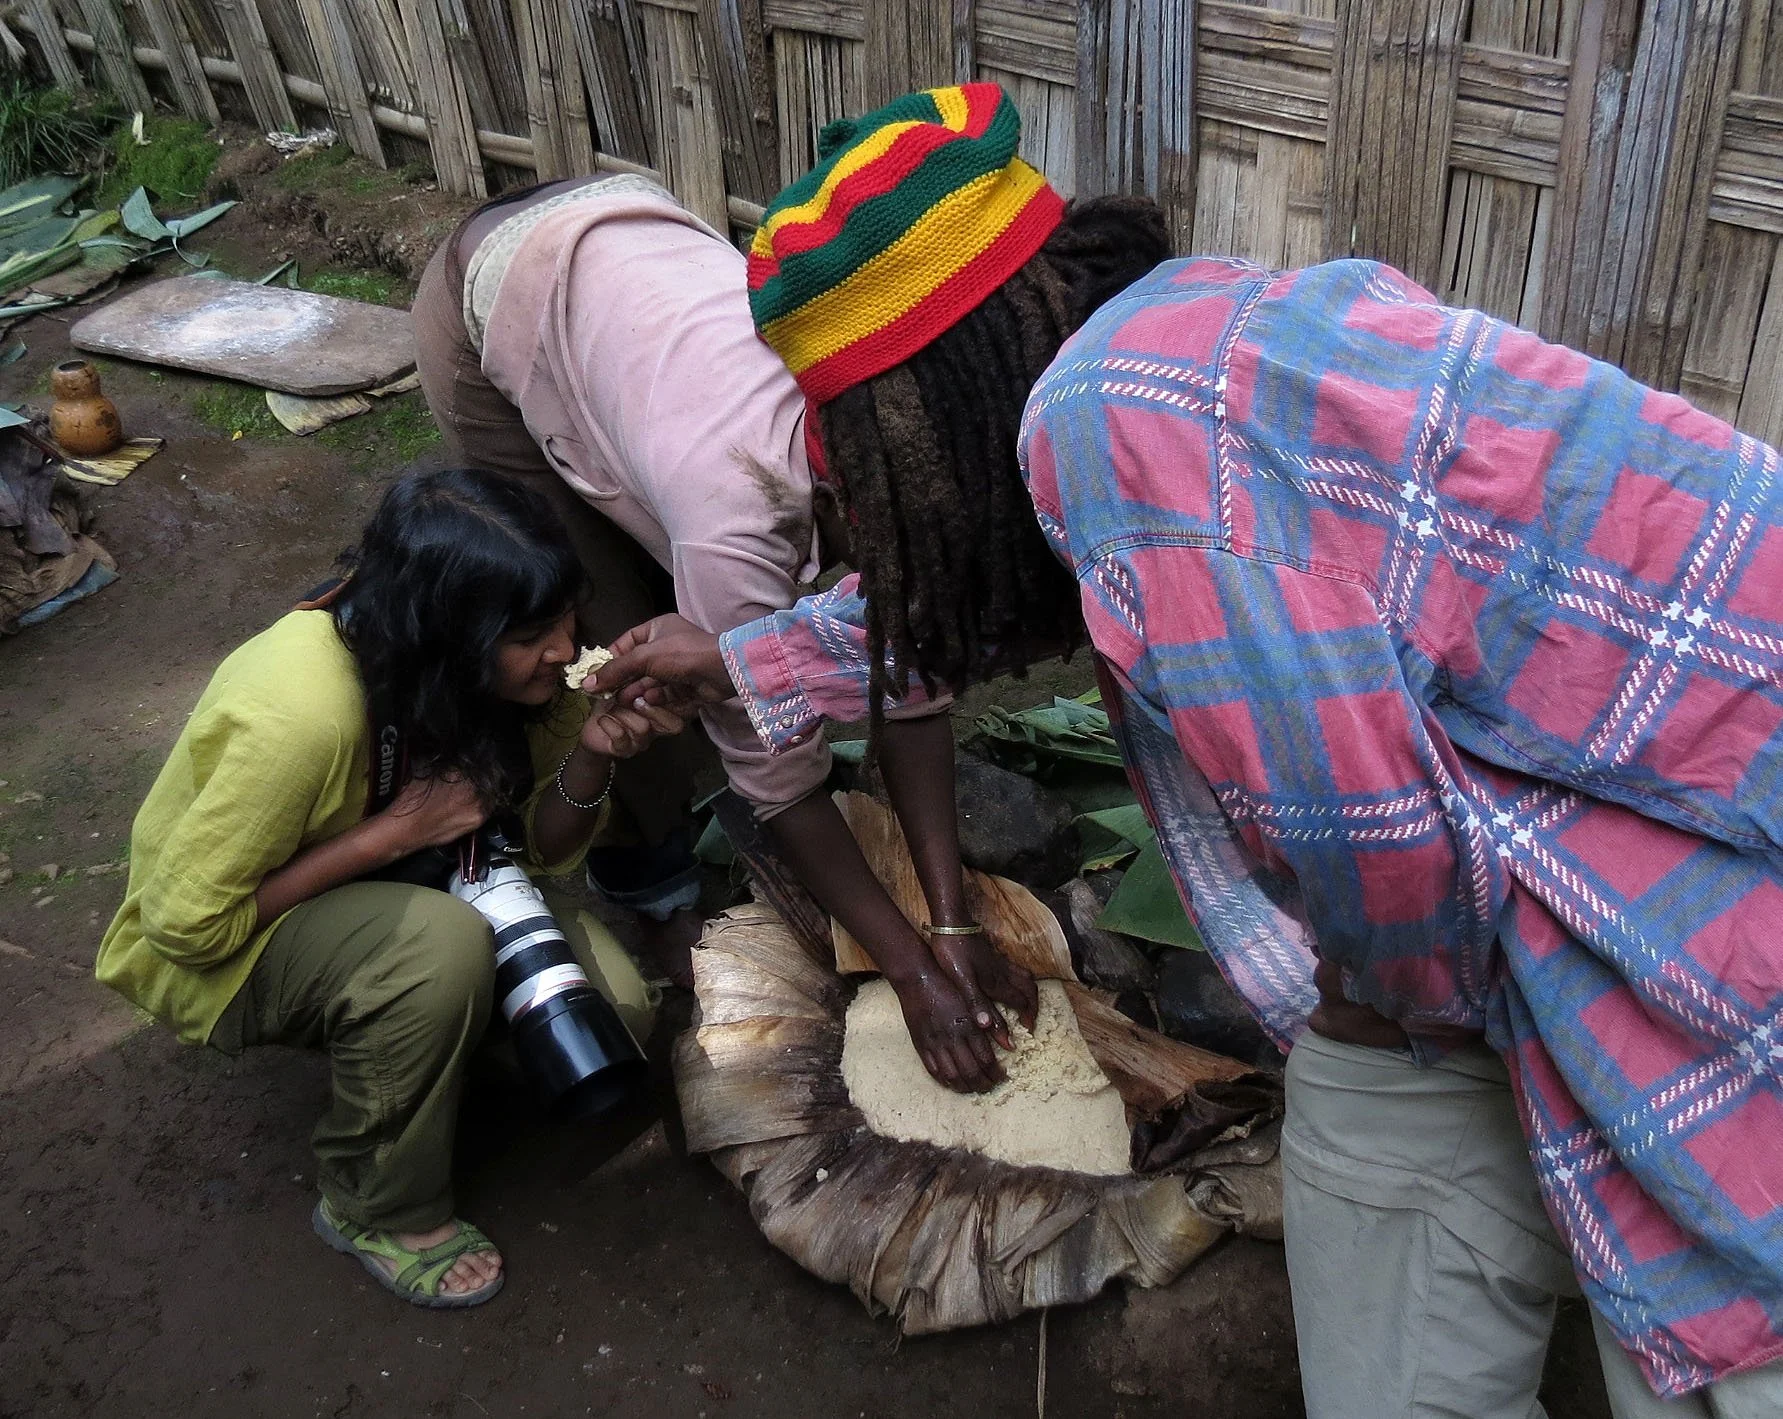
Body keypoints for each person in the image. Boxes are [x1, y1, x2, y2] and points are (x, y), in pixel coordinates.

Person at [594, 85, 1783, 1416]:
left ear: (926, 398)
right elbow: (1012, 575)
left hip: (1696, 884)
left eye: (870, 451)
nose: (864, 493)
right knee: (1389, 1118)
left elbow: (1371, 840)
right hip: (1615, 804)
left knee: (1710, 1324)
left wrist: (1365, 1006)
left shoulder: (1104, 434)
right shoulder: (1177, 340)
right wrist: (745, 658)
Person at [409, 94, 1158, 1090]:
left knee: (725, 640)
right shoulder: (737, 520)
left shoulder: (909, 431)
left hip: (633, 241)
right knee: (620, 643)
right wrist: (911, 974)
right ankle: (652, 883)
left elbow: (911, 661)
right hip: (503, 291)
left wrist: (949, 918)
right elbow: (778, 775)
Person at [95, 468, 688, 1309]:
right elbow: (187, 927)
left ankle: (415, 1048)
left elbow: (549, 856)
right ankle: (373, 1201)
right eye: (530, 634)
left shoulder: (516, 675)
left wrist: (594, 752)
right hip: (231, 944)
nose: (563, 648)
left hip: (421, 879)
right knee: (433, 953)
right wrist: (396, 832)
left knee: (613, 1013)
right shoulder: (300, 711)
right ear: (447, 635)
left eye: (564, 617)